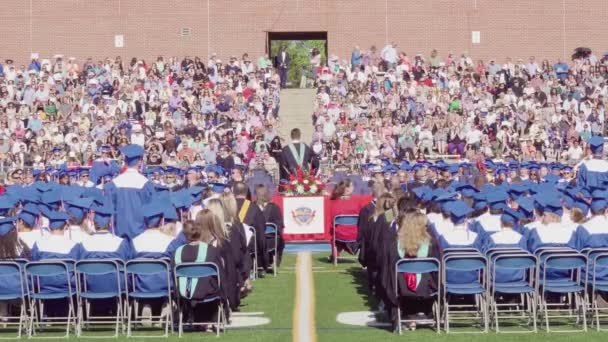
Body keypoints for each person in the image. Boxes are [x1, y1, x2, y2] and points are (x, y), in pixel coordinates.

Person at [386, 211, 440, 331]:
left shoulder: (396, 244)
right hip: (426, 288)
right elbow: (438, 269)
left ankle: (410, 316)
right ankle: (424, 312)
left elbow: (389, 269)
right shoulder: (431, 243)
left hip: (402, 288)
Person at [172, 217, 226, 325]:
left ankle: (187, 314)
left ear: (185, 234)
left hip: (185, 293)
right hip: (208, 292)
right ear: (200, 233)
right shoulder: (212, 251)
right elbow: (221, 276)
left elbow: (173, 278)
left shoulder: (177, 252)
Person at [105, 144, 155, 239]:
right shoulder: (145, 183)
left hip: (118, 233)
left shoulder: (114, 183)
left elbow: (110, 208)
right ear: (140, 161)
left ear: (125, 161)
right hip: (140, 234)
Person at [232, 182, 268, 275]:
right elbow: (261, 229)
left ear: (233, 192)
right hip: (249, 245)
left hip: (229, 243)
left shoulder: (228, 206)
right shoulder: (253, 207)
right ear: (247, 192)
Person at [255, 184, 284, 267]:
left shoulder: (251, 207)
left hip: (257, 241)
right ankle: (272, 260)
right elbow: (280, 225)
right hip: (271, 241)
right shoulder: (275, 207)